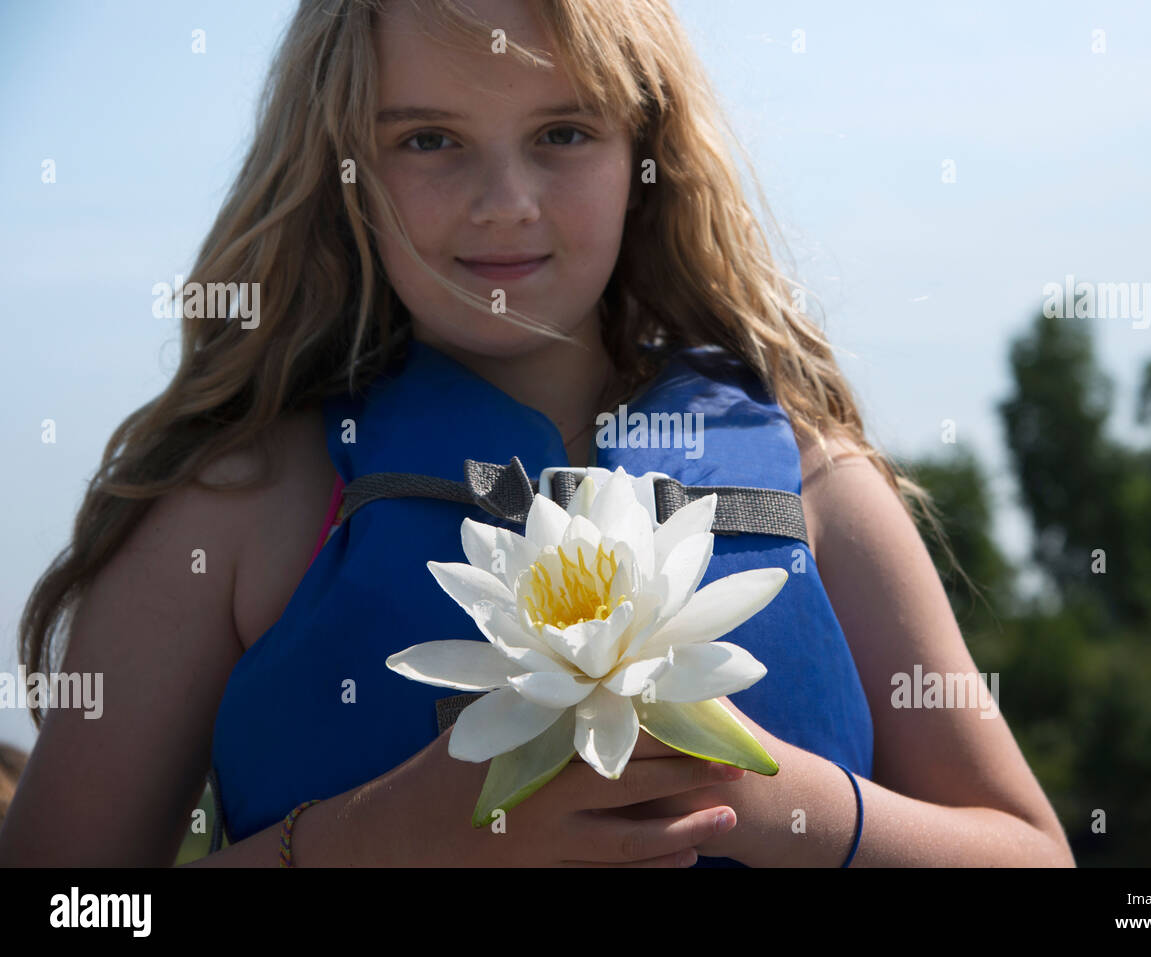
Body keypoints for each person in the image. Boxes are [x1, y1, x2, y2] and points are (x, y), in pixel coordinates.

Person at [0, 0, 1073, 868]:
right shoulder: (235, 508)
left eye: (563, 133)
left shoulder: (816, 485)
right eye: (430, 140)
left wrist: (788, 806)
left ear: (644, 150)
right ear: (341, 172)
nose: (505, 203)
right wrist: (374, 843)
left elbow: (1033, 855)